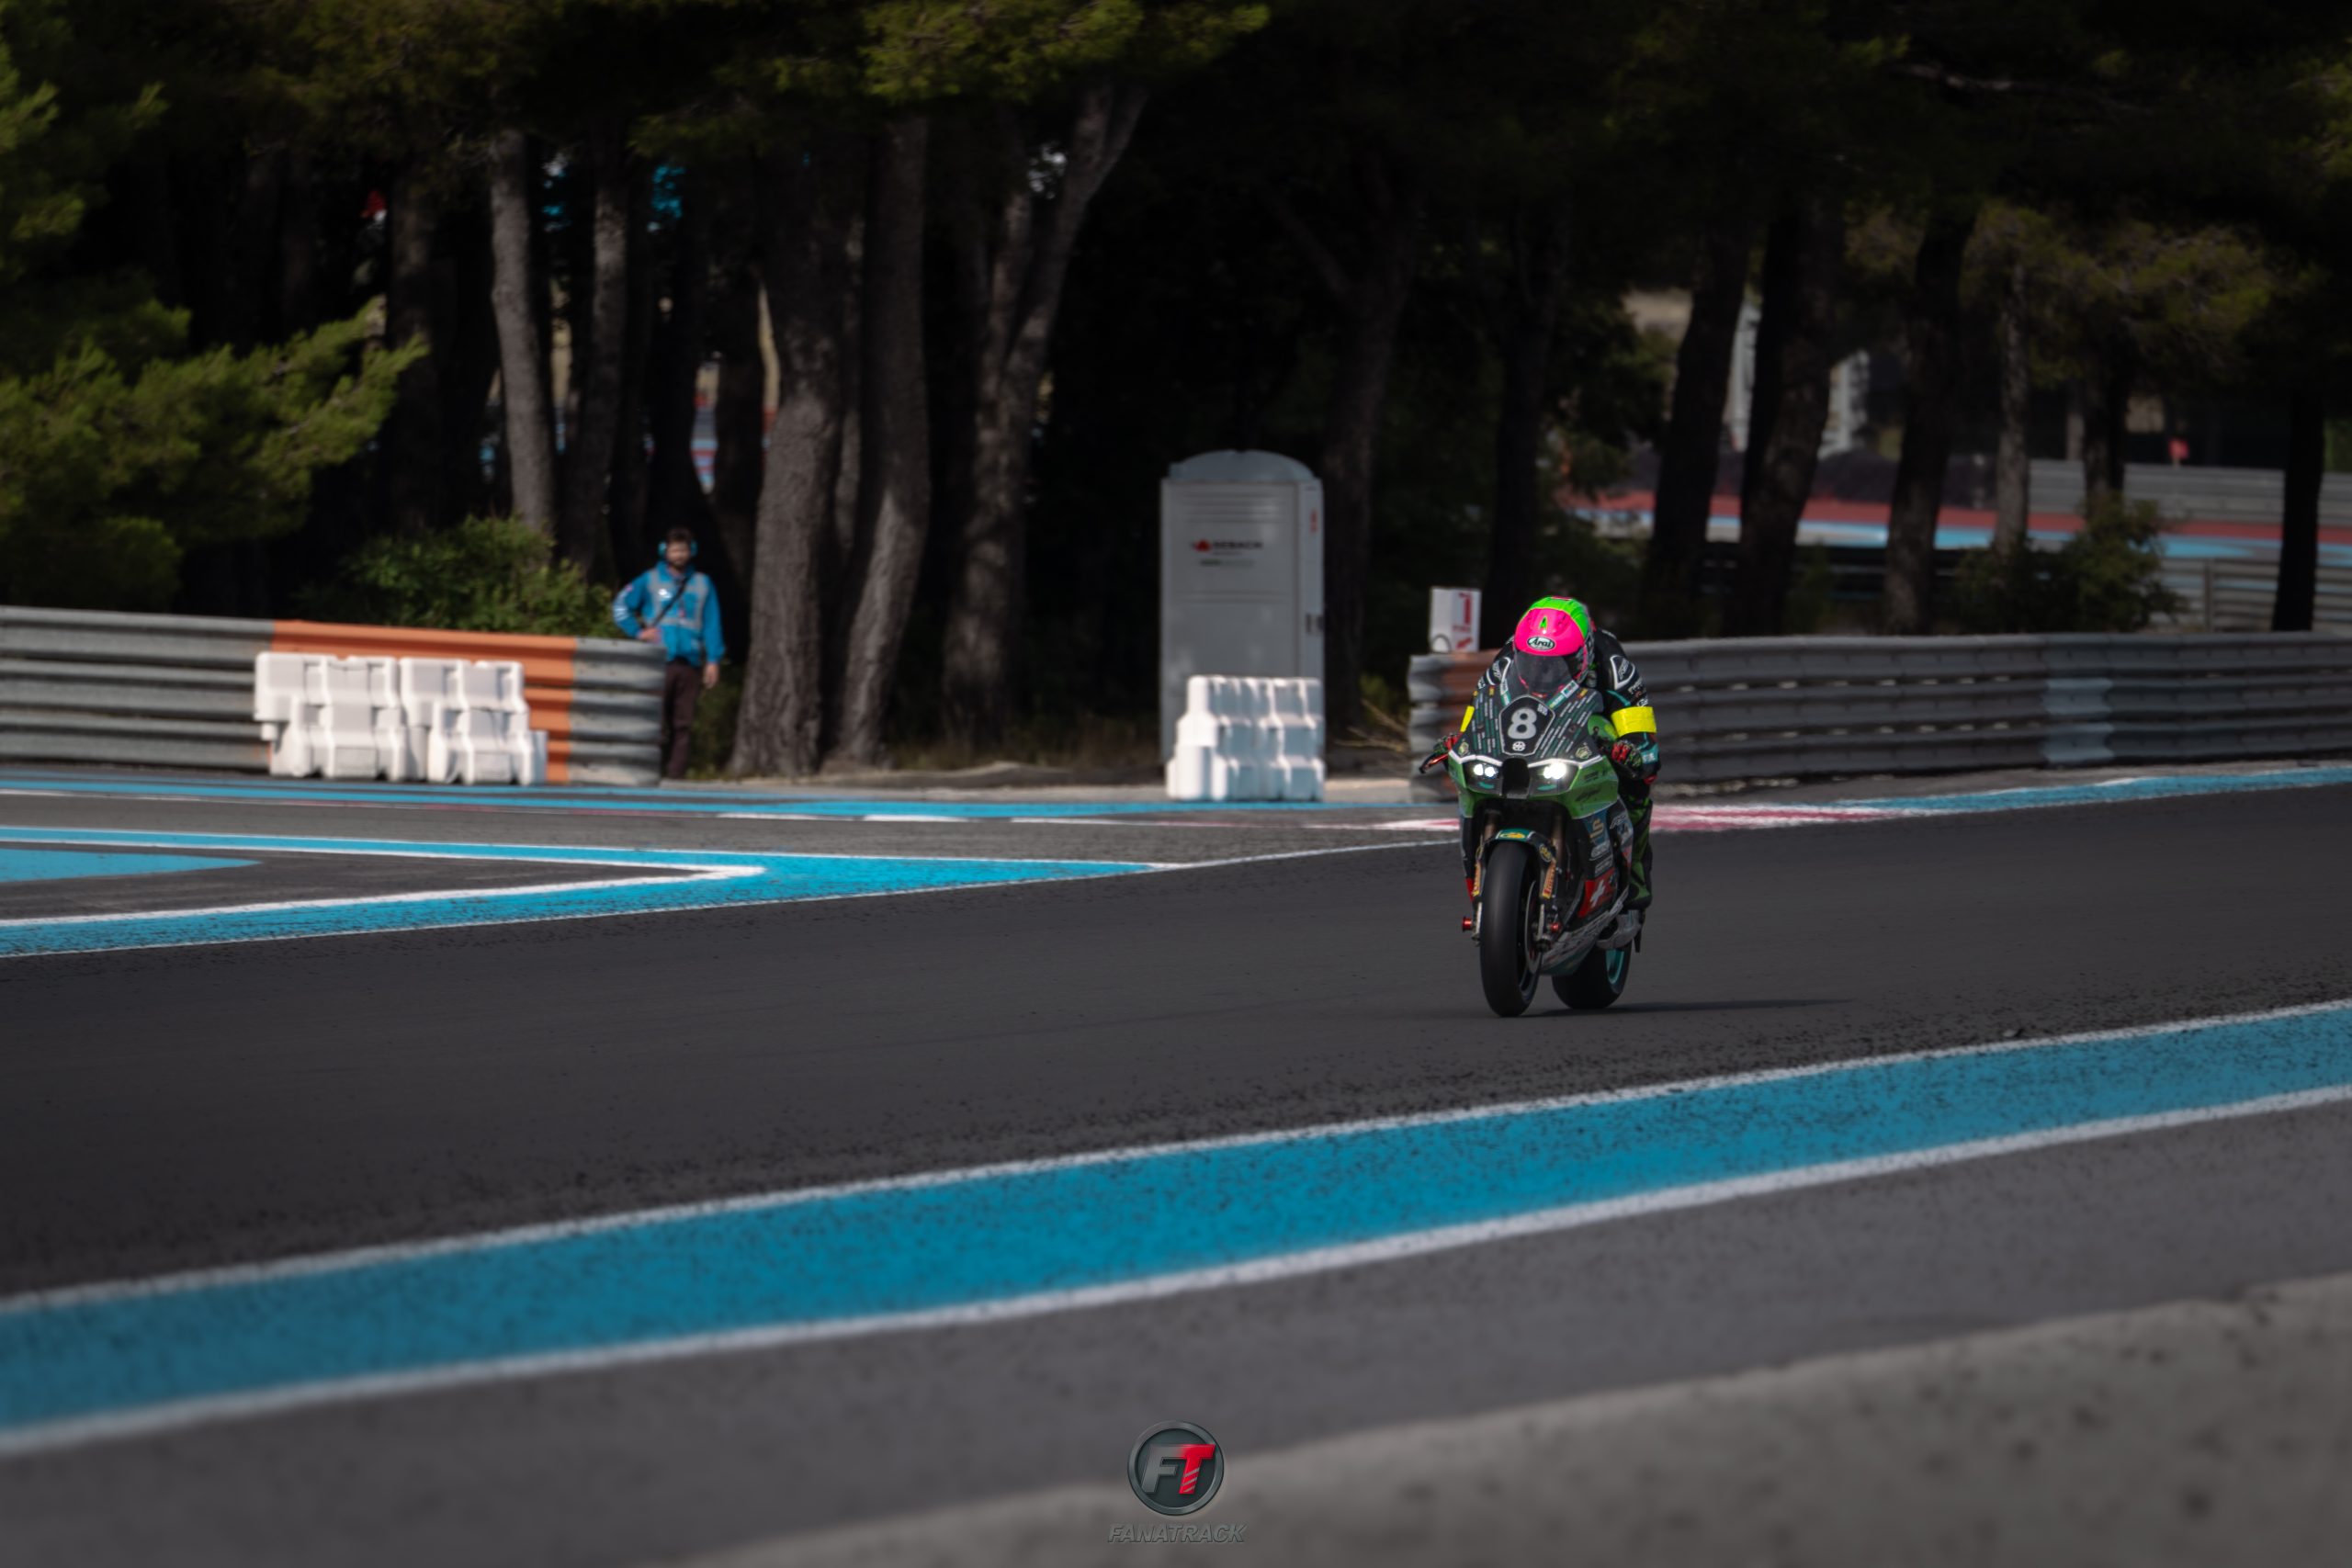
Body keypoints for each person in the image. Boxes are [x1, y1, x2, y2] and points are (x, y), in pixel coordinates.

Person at [1430, 596, 1660, 911]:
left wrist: (1631, 752)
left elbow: (1643, 739)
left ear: (1583, 654)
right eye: (1533, 662)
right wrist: (1458, 743)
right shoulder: (1506, 661)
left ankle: (1635, 881)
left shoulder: (1614, 667)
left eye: (1558, 664)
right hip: (1527, 745)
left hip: (1587, 736)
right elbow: (1478, 718)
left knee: (1637, 786)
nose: (1543, 672)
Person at [612, 527, 726, 780]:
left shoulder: (703, 584)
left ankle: (675, 775)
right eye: (674, 550)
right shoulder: (650, 580)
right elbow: (620, 607)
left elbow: (712, 624)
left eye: (683, 550)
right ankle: (648, 770)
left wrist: (713, 660)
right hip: (658, 661)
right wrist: (638, 632)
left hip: (690, 661)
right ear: (665, 551)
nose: (679, 555)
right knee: (654, 720)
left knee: (683, 723)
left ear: (691, 551)